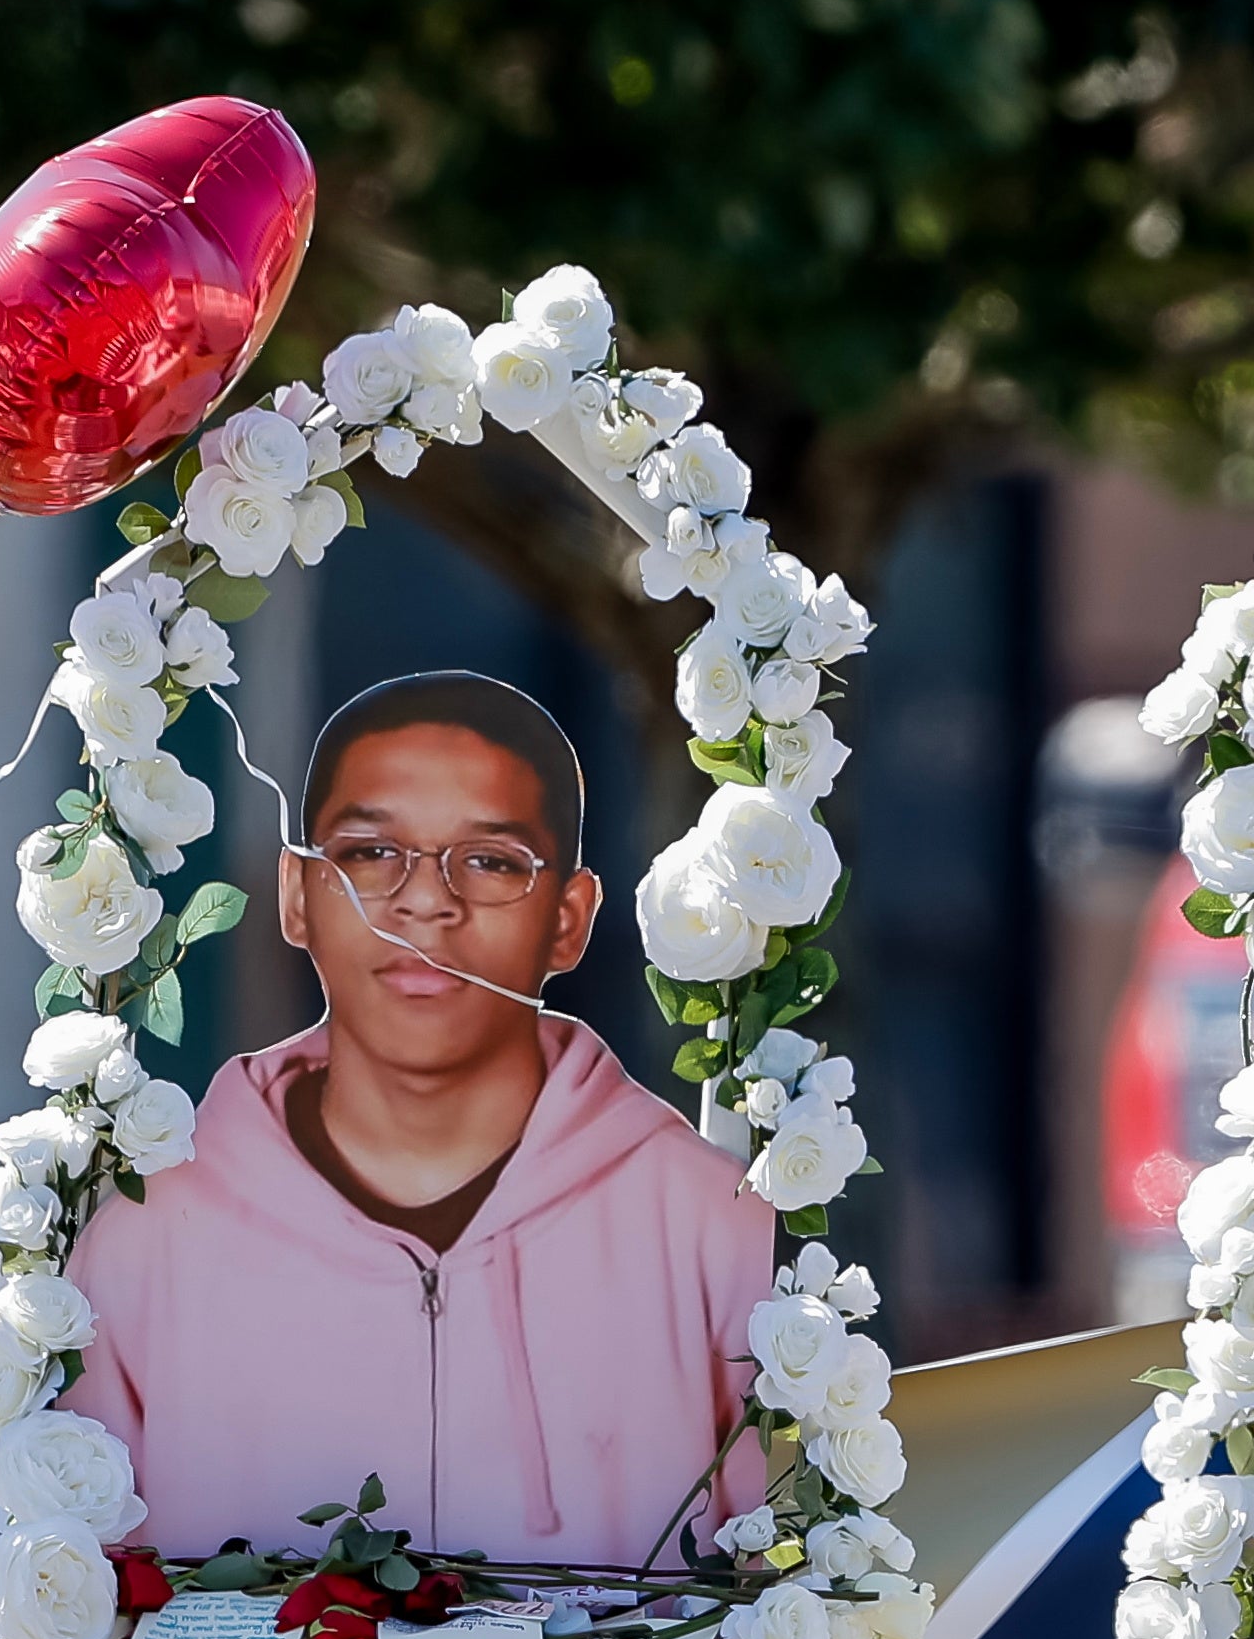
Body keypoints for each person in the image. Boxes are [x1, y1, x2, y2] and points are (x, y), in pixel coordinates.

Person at [65, 672, 776, 1571]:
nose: (425, 903)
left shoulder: (708, 1222)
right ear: (296, 895)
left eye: (490, 860)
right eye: (367, 854)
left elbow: (775, 1592)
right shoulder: (149, 1228)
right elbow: (84, 1634)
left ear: (570, 917)